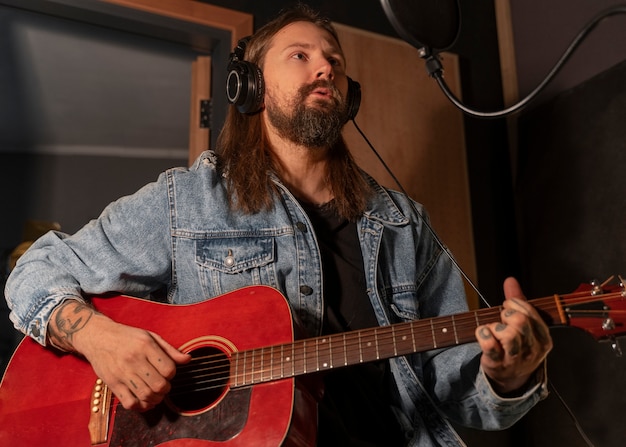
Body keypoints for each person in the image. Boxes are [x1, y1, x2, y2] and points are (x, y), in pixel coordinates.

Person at [5, 4, 552, 446]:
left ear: (349, 96)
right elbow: (33, 272)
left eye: (334, 59)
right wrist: (101, 339)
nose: (326, 67)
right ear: (251, 86)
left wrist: (507, 377)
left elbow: (458, 389)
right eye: (301, 54)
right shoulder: (188, 200)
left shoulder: (404, 225)